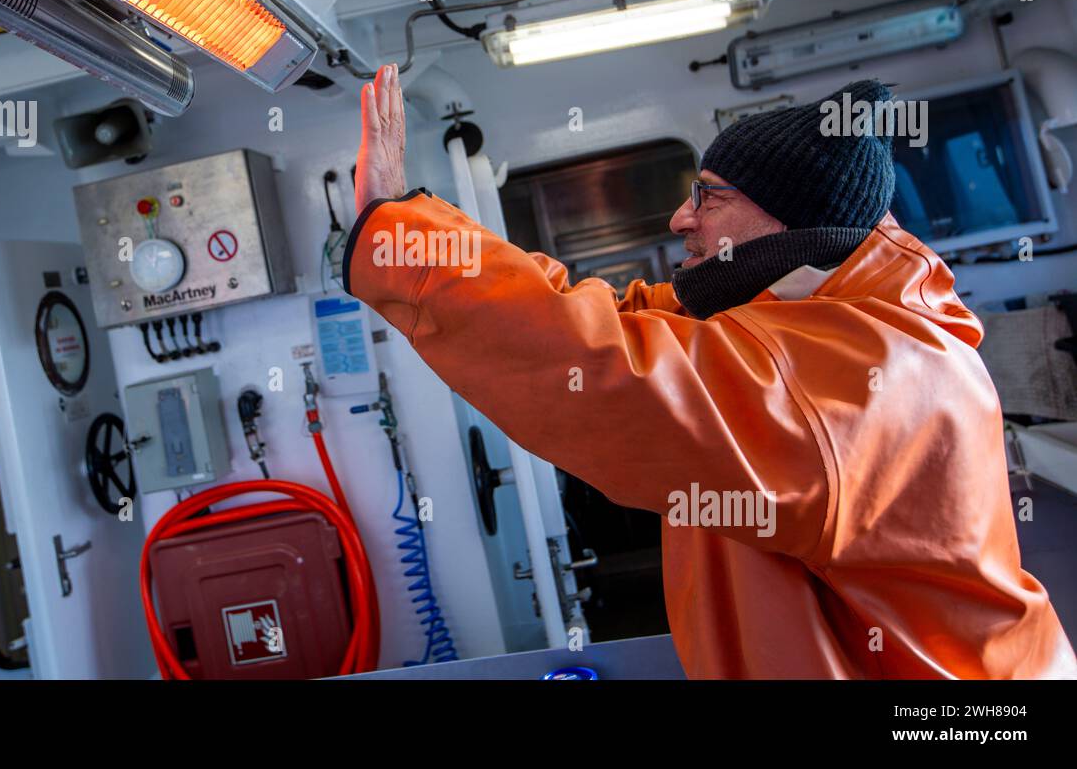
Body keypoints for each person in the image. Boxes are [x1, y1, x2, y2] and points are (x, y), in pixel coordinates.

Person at [344, 63, 1076, 679]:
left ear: (787, 223)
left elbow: (602, 368)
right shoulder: (829, 314)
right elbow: (618, 320)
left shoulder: (851, 377)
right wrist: (416, 228)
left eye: (709, 195)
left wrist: (395, 233)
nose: (680, 219)